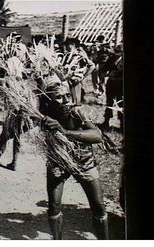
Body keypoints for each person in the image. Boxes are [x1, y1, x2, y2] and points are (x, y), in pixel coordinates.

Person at [40, 75, 109, 240]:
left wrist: (65, 132)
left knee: (99, 206)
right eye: (59, 97)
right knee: (54, 206)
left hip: (84, 161)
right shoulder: (44, 114)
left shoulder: (77, 111)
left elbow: (97, 135)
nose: (65, 100)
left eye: (67, 96)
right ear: (49, 99)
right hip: (58, 160)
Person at [100, 43, 123, 131]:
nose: (117, 53)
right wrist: (105, 76)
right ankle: (106, 122)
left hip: (120, 85)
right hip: (111, 84)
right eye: (116, 51)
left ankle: (122, 124)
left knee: (120, 103)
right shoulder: (112, 59)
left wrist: (118, 77)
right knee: (109, 102)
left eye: (119, 52)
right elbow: (104, 70)